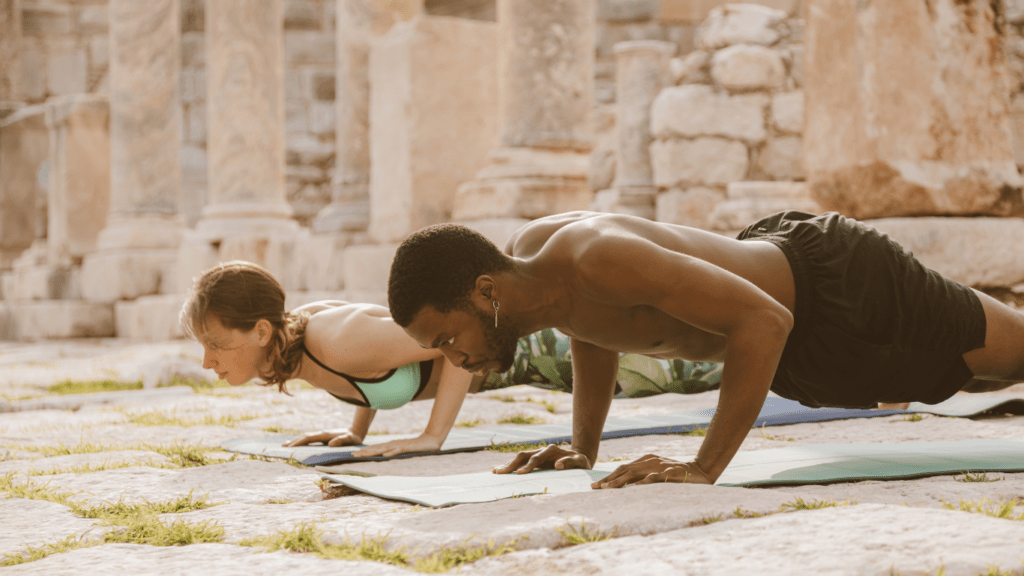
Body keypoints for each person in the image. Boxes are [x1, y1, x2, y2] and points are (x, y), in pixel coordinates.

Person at [386, 211, 1024, 489]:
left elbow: (762, 321)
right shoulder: (542, 283)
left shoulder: (593, 254)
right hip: (807, 349)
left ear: (485, 290)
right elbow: (591, 335)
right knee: (973, 378)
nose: (455, 359)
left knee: (1013, 354)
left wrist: (703, 467)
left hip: (843, 286)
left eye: (448, 338)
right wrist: (584, 447)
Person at [179, 261, 722, 458]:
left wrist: (432, 437)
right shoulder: (300, 346)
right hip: (525, 361)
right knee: (691, 354)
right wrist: (356, 431)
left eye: (217, 345)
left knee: (692, 365)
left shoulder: (335, 342)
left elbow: (455, 342)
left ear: (261, 330)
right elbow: (372, 372)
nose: (208, 361)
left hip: (537, 347)